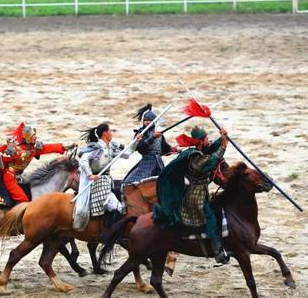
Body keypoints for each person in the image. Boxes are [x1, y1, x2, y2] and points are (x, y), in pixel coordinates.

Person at [153, 125, 230, 264]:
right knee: (211, 218)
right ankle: (218, 252)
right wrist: (223, 148)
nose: (208, 140)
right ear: (200, 141)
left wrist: (223, 138)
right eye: (206, 138)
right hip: (195, 196)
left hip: (201, 191)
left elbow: (211, 148)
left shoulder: (199, 149)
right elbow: (211, 162)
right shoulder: (194, 156)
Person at [76, 123, 137, 230]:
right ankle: (111, 232)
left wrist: (136, 141)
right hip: (98, 181)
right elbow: (83, 160)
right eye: (110, 131)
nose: (111, 133)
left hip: (107, 180)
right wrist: (90, 175)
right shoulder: (96, 147)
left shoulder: (111, 147)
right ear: (105, 133)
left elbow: (127, 154)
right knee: (117, 207)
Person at [123, 104, 179, 184]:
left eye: (150, 120)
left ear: (154, 121)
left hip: (158, 163)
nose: (147, 122)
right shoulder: (140, 133)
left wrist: (175, 149)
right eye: (145, 120)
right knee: (133, 183)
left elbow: (165, 148)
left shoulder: (158, 134)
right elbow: (141, 148)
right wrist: (152, 137)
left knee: (165, 182)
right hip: (147, 162)